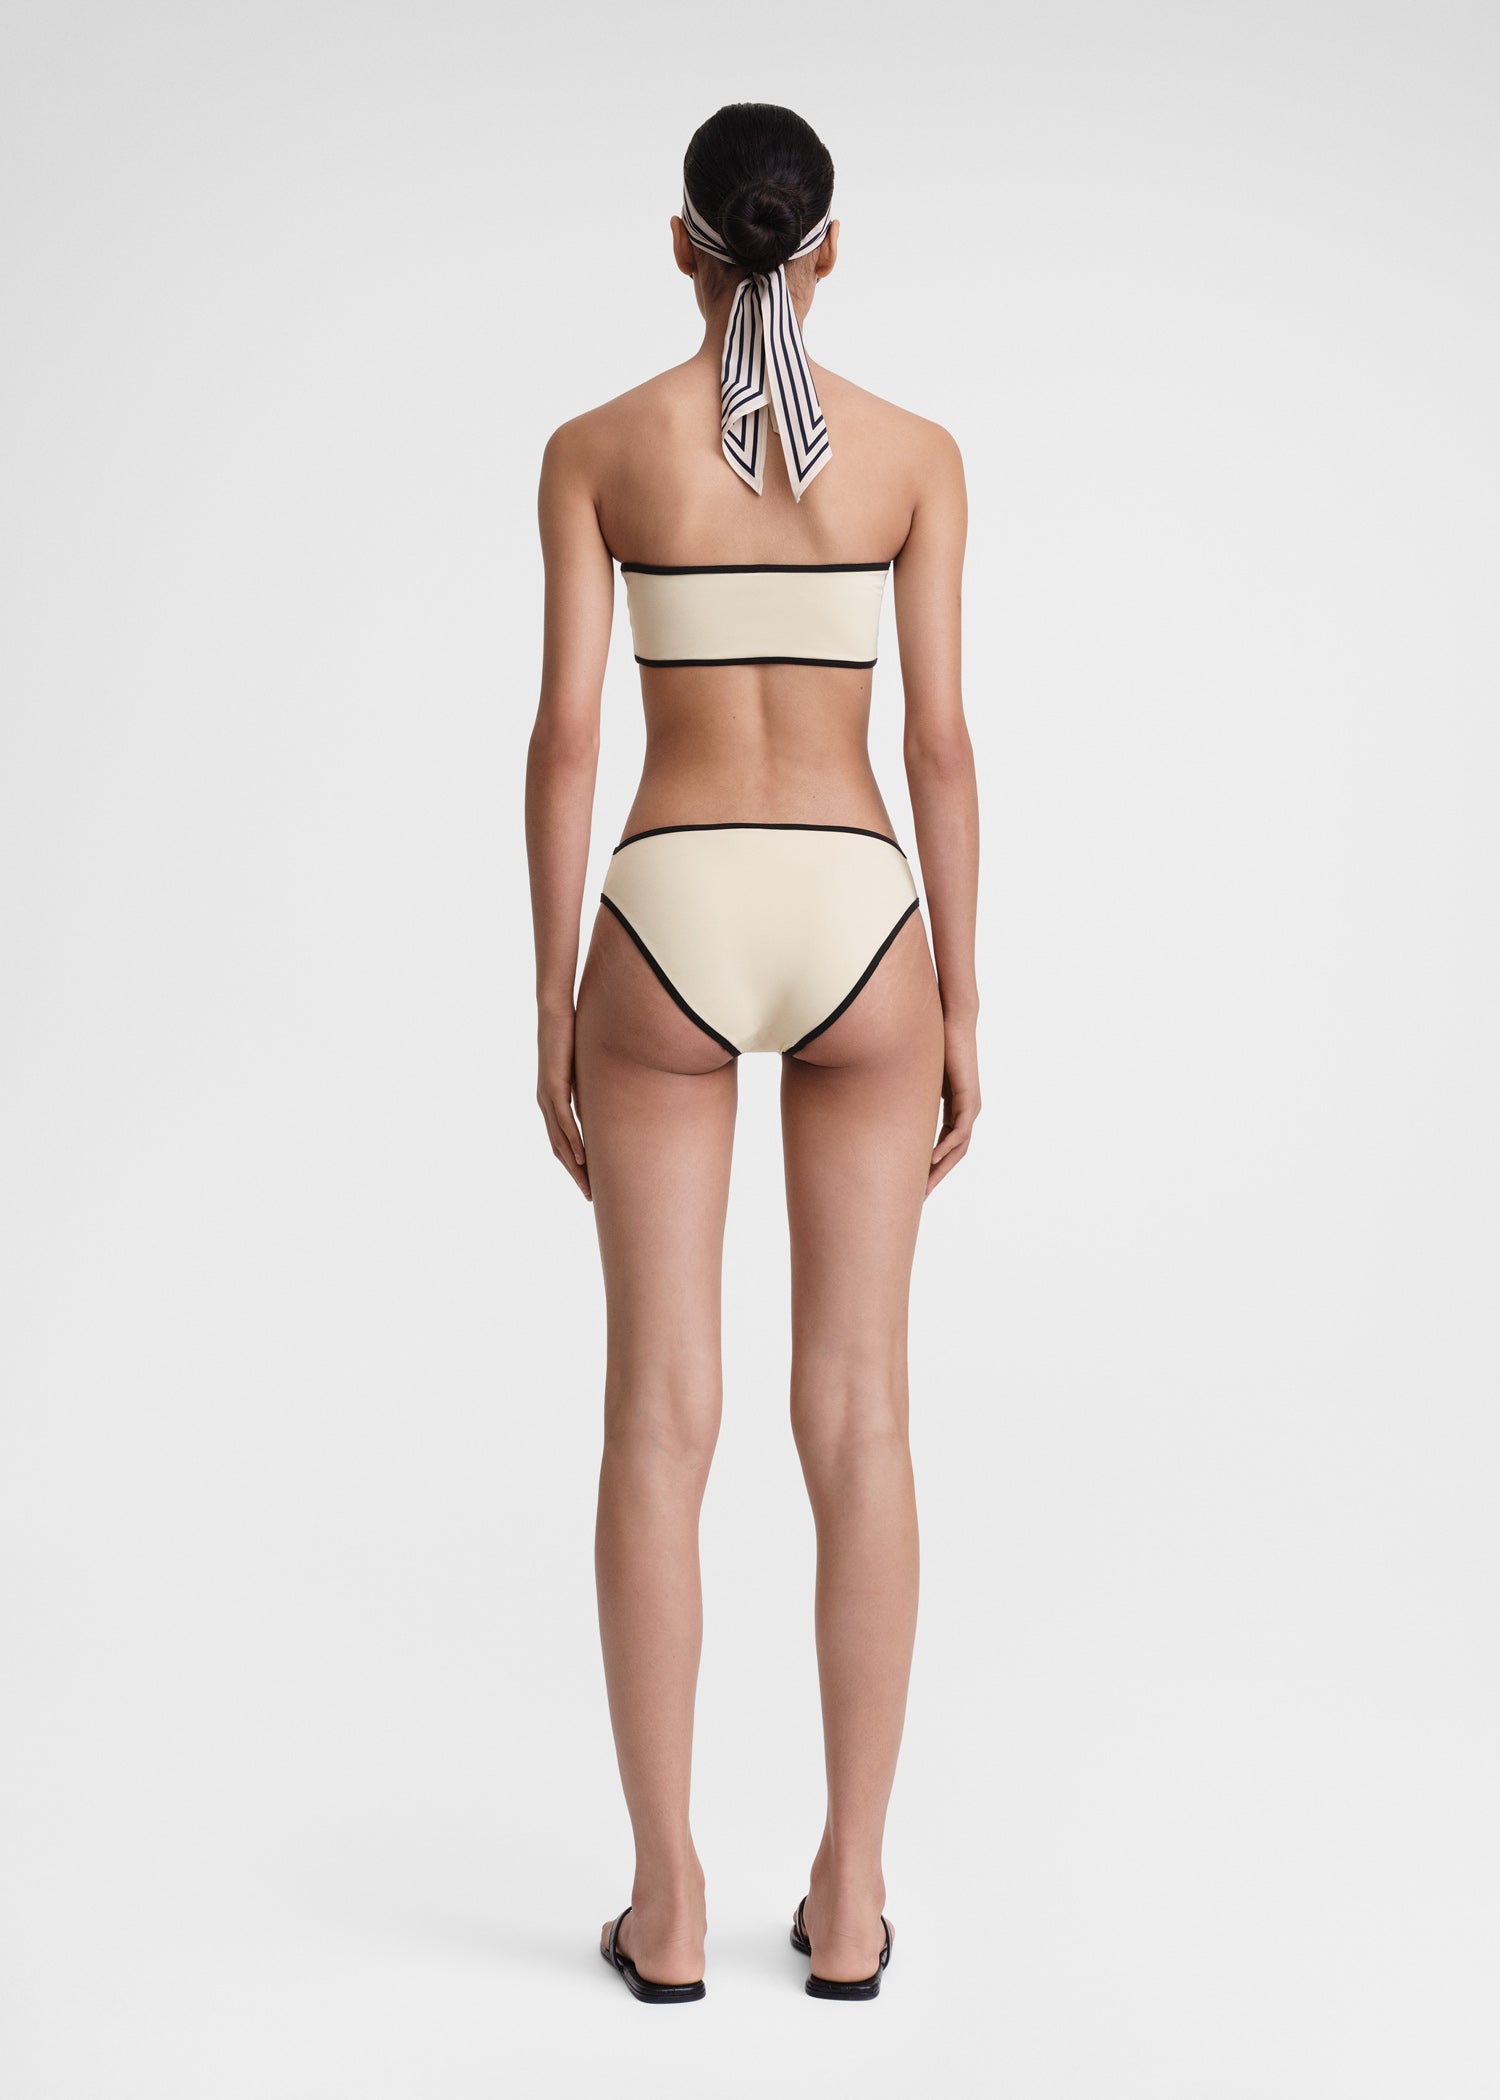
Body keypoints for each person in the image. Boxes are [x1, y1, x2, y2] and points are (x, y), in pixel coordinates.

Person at [526, 101, 980, 2003]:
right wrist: (964, 1000)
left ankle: (667, 1905)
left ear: (682, 246)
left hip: (672, 907)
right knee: (861, 1414)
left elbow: (567, 739)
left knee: (659, 1416)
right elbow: (939, 742)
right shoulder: (914, 456)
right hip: (862, 912)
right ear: (830, 246)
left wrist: (552, 995)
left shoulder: (598, 449)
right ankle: (852, 1900)